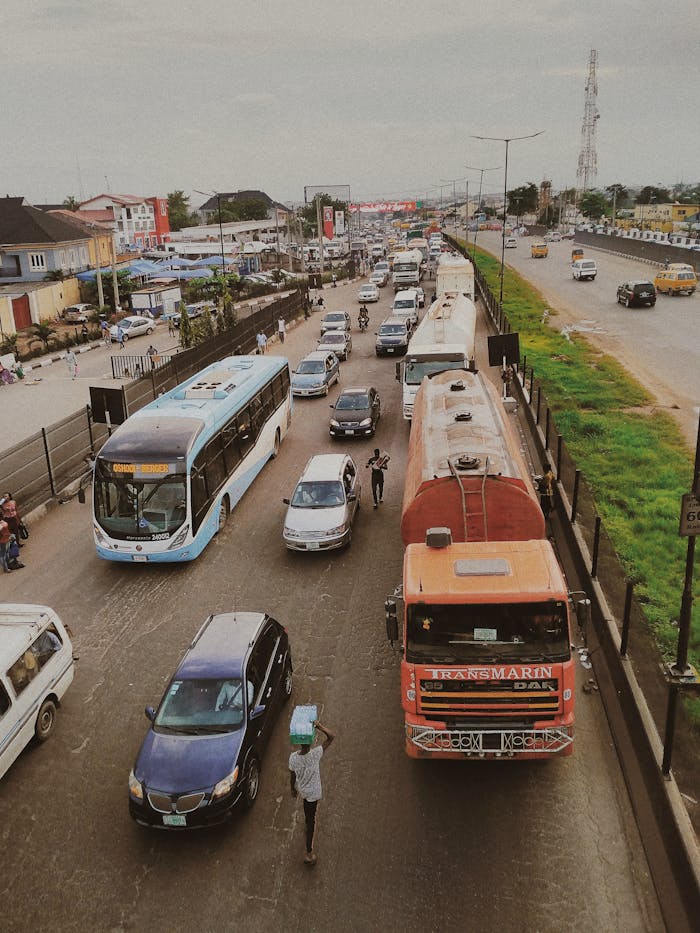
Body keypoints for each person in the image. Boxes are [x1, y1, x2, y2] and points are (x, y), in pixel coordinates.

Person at [289, 720, 335, 866]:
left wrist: (293, 789)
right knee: (311, 821)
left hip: (303, 791)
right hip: (313, 794)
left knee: (307, 812)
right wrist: (319, 726)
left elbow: (292, 776)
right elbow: (331, 737)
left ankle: (307, 825)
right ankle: (309, 853)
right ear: (310, 742)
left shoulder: (293, 758)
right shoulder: (315, 754)